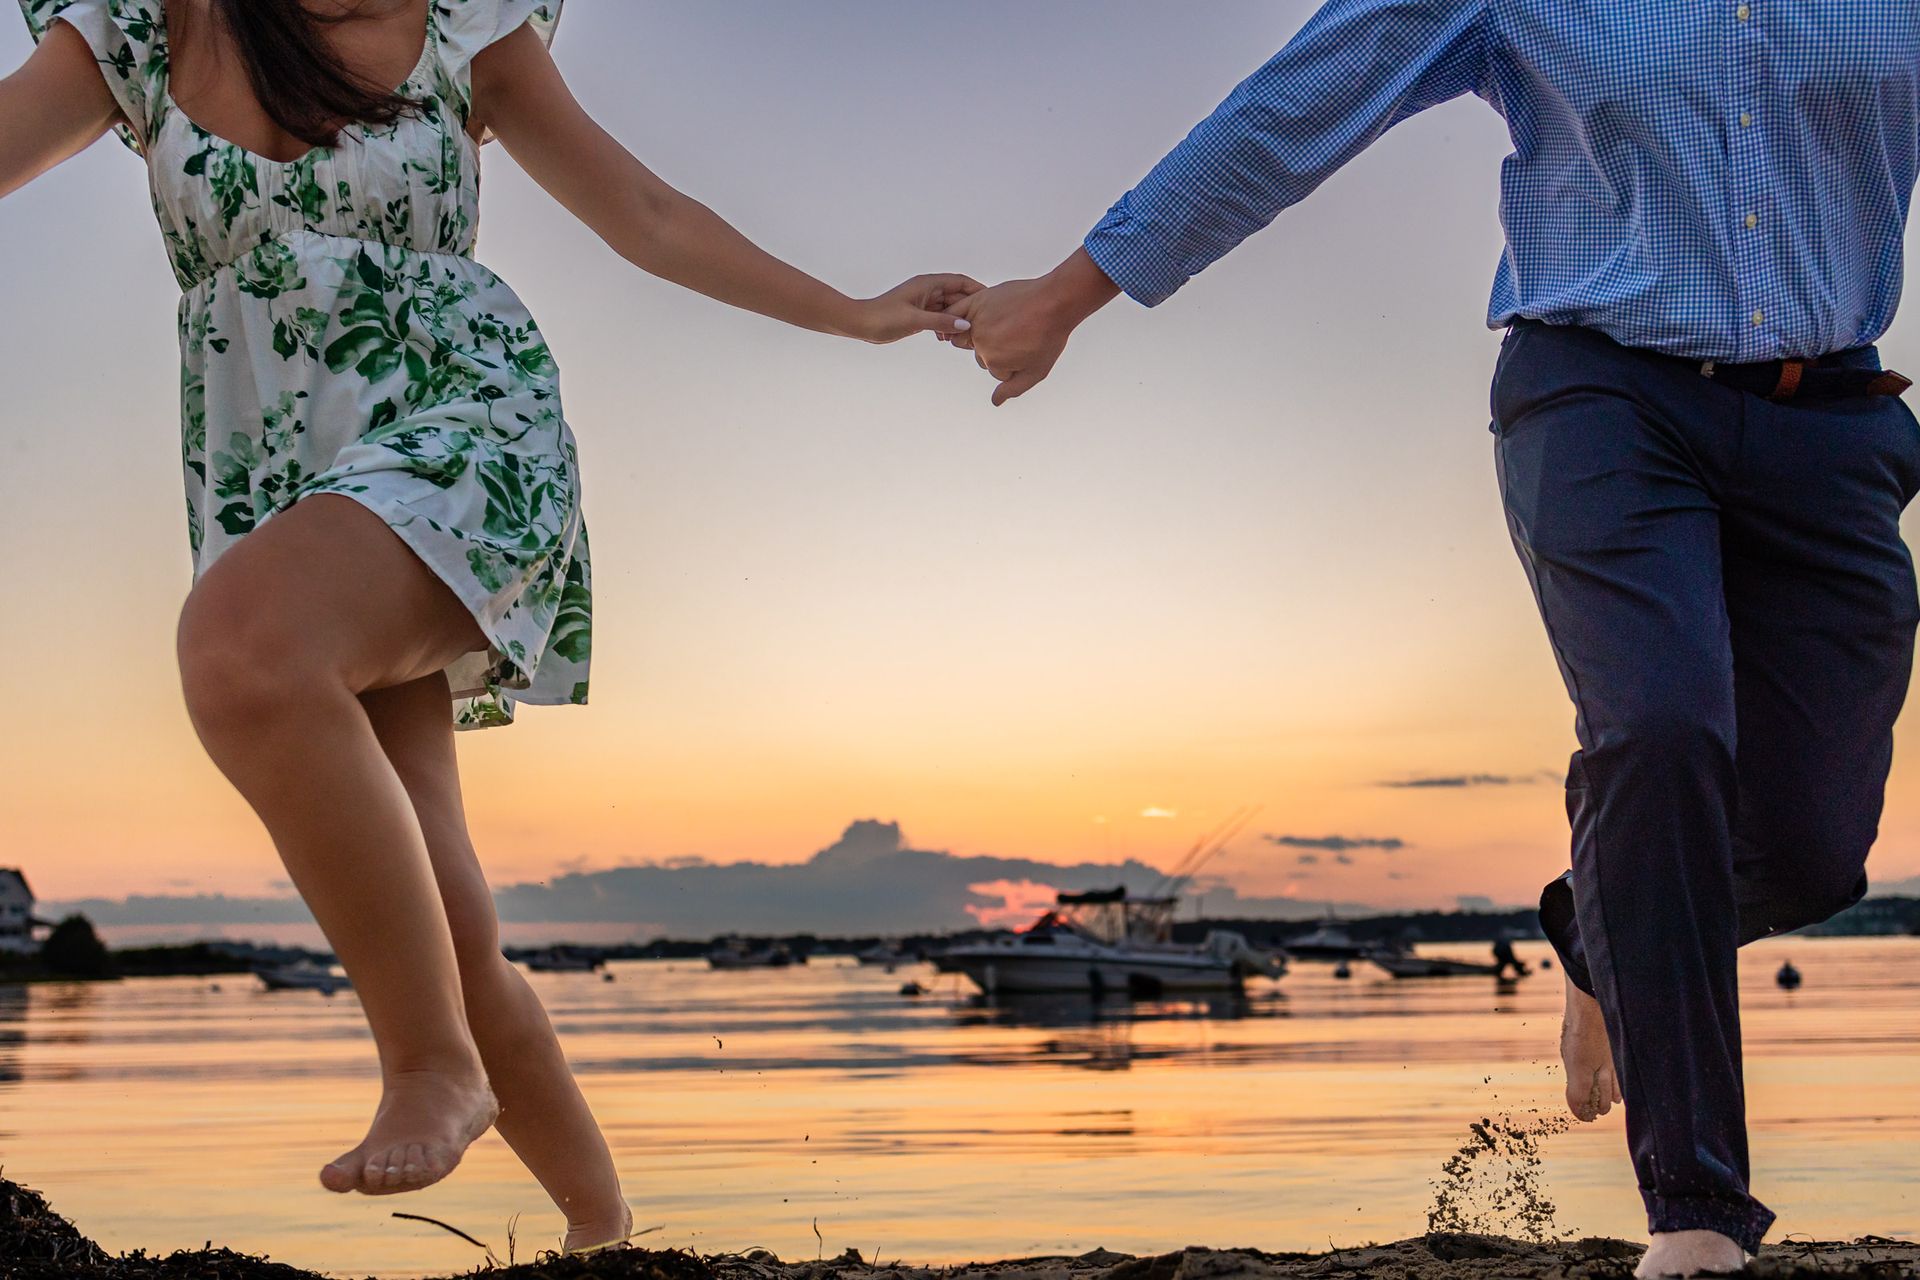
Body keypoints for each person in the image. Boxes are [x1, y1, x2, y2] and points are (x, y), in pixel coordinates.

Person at [943, 3, 1919, 1275]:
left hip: (1831, 415)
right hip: (1600, 394)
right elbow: (1300, 105)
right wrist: (1073, 293)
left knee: (1811, 845)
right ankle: (1697, 1212)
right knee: (1662, 723)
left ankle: (1598, 922)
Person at [0, 0, 977, 1249]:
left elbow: (650, 218)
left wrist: (858, 311)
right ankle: (602, 1232)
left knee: (240, 652)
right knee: (444, 913)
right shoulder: (147, 27)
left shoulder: (461, 25)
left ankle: (428, 1062)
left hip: (465, 430)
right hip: (287, 488)